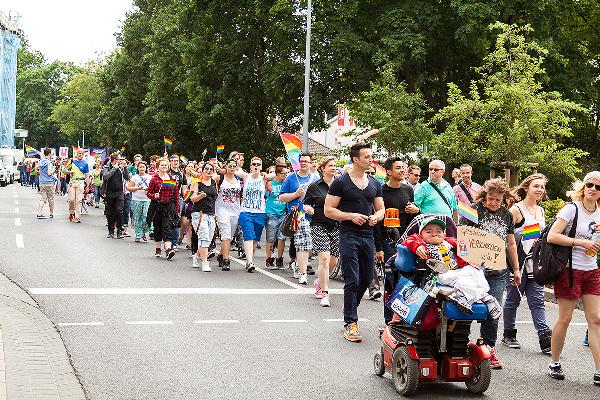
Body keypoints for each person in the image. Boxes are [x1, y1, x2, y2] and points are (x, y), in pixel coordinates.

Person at [325, 142, 385, 342]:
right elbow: (329, 210)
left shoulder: (375, 183)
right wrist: (350, 216)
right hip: (348, 234)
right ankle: (350, 322)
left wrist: (377, 216)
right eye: (367, 157)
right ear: (356, 159)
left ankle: (349, 306)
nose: (370, 160)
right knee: (352, 278)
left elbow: (381, 209)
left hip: (367, 235)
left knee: (366, 279)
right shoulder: (340, 182)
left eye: (371, 156)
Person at [461, 178, 521, 369]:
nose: (493, 203)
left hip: (498, 270)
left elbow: (511, 243)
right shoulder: (471, 209)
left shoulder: (507, 215)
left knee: (493, 310)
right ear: (484, 196)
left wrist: (517, 269)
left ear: (503, 198)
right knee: (466, 306)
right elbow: (462, 237)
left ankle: (488, 348)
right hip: (474, 269)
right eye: (490, 199)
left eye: (497, 200)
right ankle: (460, 345)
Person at [546, 171, 600, 385]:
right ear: (583, 186)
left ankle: (598, 370)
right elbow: (552, 236)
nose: (594, 189)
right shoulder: (572, 208)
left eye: (598, 187)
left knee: (595, 319)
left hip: (591, 269)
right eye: (590, 185)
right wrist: (581, 243)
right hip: (570, 269)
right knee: (565, 318)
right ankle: (555, 362)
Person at [403, 217, 502, 316]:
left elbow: (464, 247)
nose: (434, 234)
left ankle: (472, 296)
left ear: (444, 234)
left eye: (439, 231)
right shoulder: (421, 243)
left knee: (476, 271)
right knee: (464, 278)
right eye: (429, 232)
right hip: (440, 273)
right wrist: (418, 245)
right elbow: (409, 240)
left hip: (457, 269)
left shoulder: (448, 242)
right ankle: (481, 297)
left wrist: (466, 252)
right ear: (421, 235)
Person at [502, 173, 552, 353]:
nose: (540, 190)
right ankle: (509, 334)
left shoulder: (541, 210)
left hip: (536, 263)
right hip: (519, 262)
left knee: (537, 301)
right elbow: (506, 238)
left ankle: (544, 336)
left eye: (542, 187)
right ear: (526, 188)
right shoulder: (516, 210)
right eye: (536, 186)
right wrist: (527, 236)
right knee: (513, 299)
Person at [374, 157, 419, 322]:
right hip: (387, 240)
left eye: (404, 167)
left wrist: (417, 210)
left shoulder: (409, 189)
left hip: (406, 241)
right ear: (388, 171)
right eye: (398, 167)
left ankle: (402, 319)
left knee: (406, 280)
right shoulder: (380, 191)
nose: (402, 170)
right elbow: (376, 222)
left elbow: (414, 216)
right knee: (390, 280)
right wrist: (378, 247)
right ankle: (389, 321)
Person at [304, 156, 339, 307]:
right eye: (330, 165)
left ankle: (320, 280)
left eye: (335, 165)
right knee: (324, 259)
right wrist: (308, 208)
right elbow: (306, 204)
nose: (333, 167)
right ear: (322, 168)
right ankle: (325, 293)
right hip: (319, 224)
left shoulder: (341, 185)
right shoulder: (314, 186)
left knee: (334, 260)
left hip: (337, 225)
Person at [279, 153, 318, 284]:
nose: (303, 163)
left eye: (306, 161)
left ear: (311, 162)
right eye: (301, 161)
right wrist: (296, 194)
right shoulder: (291, 178)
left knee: (307, 245)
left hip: (314, 216)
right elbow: (281, 197)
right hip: (298, 215)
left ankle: (298, 264)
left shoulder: (316, 178)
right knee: (303, 244)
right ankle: (303, 272)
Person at [236, 157, 273, 272]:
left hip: (260, 213)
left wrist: (267, 175)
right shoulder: (246, 177)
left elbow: (277, 173)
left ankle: (249, 257)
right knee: (248, 236)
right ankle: (250, 262)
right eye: (254, 164)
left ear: (261, 167)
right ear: (250, 166)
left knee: (255, 239)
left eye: (258, 164)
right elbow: (234, 170)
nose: (256, 166)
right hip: (246, 212)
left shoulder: (264, 178)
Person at [214, 158, 243, 271]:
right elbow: (206, 179)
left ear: (236, 167)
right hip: (222, 210)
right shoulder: (219, 178)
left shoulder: (239, 181)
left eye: (233, 166)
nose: (231, 168)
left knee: (229, 236)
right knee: (225, 234)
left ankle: (221, 254)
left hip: (235, 211)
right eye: (229, 166)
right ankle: (226, 260)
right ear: (226, 167)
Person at [146, 158, 179, 259]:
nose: (164, 167)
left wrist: (177, 209)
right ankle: (158, 249)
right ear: (158, 166)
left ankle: (168, 249)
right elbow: (148, 193)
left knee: (167, 227)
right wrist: (154, 196)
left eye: (166, 165)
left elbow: (176, 195)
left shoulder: (172, 179)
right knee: (158, 227)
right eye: (162, 165)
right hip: (157, 206)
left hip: (169, 206)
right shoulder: (154, 179)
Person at [190, 162, 218, 271]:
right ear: (203, 169)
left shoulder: (214, 182)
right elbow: (192, 199)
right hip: (199, 213)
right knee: (204, 238)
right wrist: (200, 196)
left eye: (211, 169)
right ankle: (205, 263)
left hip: (211, 214)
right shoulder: (197, 181)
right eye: (206, 168)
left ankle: (196, 256)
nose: (208, 170)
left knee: (208, 240)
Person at [264, 164, 288, 270]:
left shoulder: (286, 183)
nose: (286, 175)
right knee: (271, 238)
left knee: (282, 238)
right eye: (284, 173)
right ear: (278, 174)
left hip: (283, 213)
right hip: (271, 213)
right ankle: (269, 260)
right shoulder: (270, 183)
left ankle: (279, 259)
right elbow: (264, 176)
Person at [102, 153, 129, 239]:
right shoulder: (107, 166)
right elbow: (105, 177)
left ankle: (119, 231)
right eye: (119, 159)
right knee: (111, 212)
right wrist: (114, 168)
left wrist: (125, 168)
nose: (121, 161)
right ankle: (111, 231)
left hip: (120, 192)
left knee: (119, 211)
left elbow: (127, 177)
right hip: (109, 192)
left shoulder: (121, 167)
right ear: (114, 160)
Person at [128, 161, 151, 242]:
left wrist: (149, 190)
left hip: (147, 200)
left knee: (146, 217)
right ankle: (138, 235)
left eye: (143, 167)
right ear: (137, 168)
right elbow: (129, 188)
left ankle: (143, 232)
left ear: (146, 168)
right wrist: (138, 188)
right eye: (140, 167)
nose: (142, 168)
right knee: (137, 218)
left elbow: (153, 189)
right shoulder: (135, 177)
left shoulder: (150, 177)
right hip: (136, 200)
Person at [66, 149, 90, 223]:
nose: (80, 155)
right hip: (72, 183)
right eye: (79, 153)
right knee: (72, 199)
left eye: (82, 154)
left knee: (79, 200)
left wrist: (87, 186)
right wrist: (70, 172)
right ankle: (71, 212)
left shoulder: (85, 164)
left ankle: (77, 217)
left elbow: (87, 175)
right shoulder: (72, 162)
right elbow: (65, 171)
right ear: (77, 154)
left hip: (80, 183)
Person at [169, 155, 185, 250]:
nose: (175, 162)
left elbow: (184, 188)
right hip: (167, 198)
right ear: (170, 162)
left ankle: (174, 242)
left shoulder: (181, 174)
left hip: (178, 199)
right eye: (174, 161)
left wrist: (186, 199)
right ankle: (167, 240)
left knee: (176, 220)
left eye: (177, 161)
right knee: (167, 219)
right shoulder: (167, 172)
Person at [36, 148, 56, 219]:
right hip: (49, 183)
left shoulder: (41, 162)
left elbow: (37, 170)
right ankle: (51, 213)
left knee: (43, 198)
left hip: (41, 183)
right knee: (51, 198)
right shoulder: (49, 163)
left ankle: (39, 213)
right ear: (49, 154)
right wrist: (53, 169)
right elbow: (49, 173)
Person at [120, 158, 132, 238]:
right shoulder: (116, 170)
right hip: (119, 193)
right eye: (122, 163)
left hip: (127, 193)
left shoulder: (127, 171)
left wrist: (125, 168)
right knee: (119, 210)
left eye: (125, 163)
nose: (123, 164)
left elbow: (128, 178)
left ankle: (125, 229)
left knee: (126, 211)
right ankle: (118, 227)